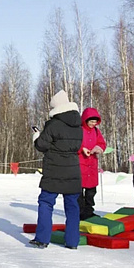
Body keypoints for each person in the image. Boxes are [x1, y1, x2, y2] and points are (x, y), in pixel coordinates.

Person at [30, 90, 83, 249]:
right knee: (72, 206)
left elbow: (41, 145)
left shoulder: (53, 124)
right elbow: (76, 146)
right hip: (73, 170)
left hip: (54, 169)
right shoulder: (78, 125)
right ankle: (73, 241)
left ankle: (42, 238)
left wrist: (36, 136)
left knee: (46, 202)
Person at [78, 108, 106, 220]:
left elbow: (102, 143)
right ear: (85, 120)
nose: (93, 124)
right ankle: (79, 213)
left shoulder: (96, 131)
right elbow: (74, 143)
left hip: (92, 164)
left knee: (91, 192)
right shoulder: (79, 130)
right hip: (80, 164)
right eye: (91, 121)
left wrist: (98, 148)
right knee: (78, 192)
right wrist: (82, 149)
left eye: (95, 122)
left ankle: (89, 212)